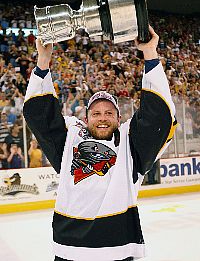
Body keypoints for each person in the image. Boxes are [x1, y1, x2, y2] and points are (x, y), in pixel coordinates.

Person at [23, 26, 177, 261]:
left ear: (119, 118)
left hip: (117, 249)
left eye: (109, 112)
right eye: (96, 113)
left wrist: (149, 54)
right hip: (69, 249)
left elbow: (158, 119)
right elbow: (40, 117)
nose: (102, 118)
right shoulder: (70, 141)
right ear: (86, 119)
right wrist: (43, 61)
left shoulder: (130, 145)